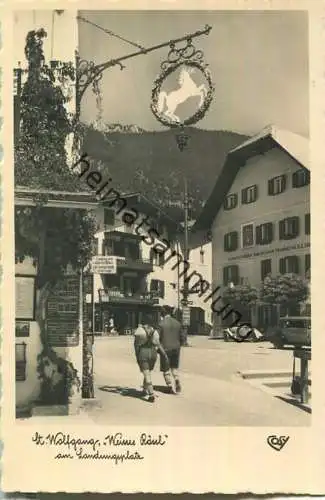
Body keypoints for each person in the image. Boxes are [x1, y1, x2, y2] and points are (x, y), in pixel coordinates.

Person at [133, 315, 169, 403]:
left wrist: (137, 355)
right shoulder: (155, 331)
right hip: (153, 353)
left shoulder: (139, 331)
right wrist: (164, 354)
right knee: (148, 372)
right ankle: (144, 389)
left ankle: (151, 394)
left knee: (147, 374)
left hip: (143, 352)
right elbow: (158, 344)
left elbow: (136, 345)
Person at [158, 306, 184, 394]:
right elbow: (182, 338)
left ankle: (169, 386)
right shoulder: (177, 323)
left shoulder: (161, 324)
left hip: (165, 349)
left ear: (162, 313)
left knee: (166, 369)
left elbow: (157, 338)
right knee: (174, 367)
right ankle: (176, 379)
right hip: (176, 348)